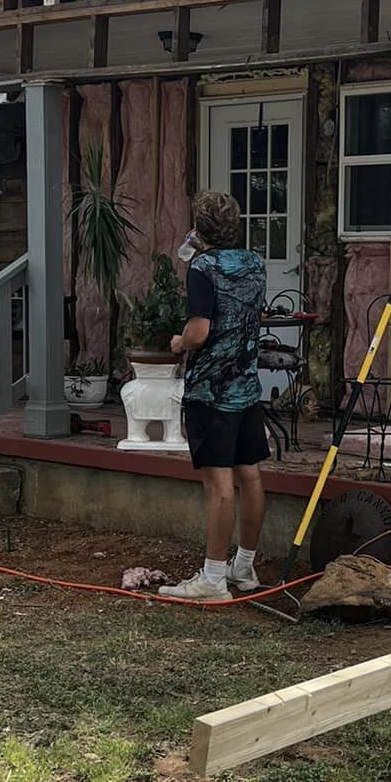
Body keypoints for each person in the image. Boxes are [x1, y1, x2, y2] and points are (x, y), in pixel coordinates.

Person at [160, 190, 269, 602]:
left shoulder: (202, 267)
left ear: (201, 227)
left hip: (211, 390)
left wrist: (178, 343)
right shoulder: (255, 264)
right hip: (247, 386)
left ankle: (212, 579)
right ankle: (244, 567)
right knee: (251, 475)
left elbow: (200, 330)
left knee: (220, 486)